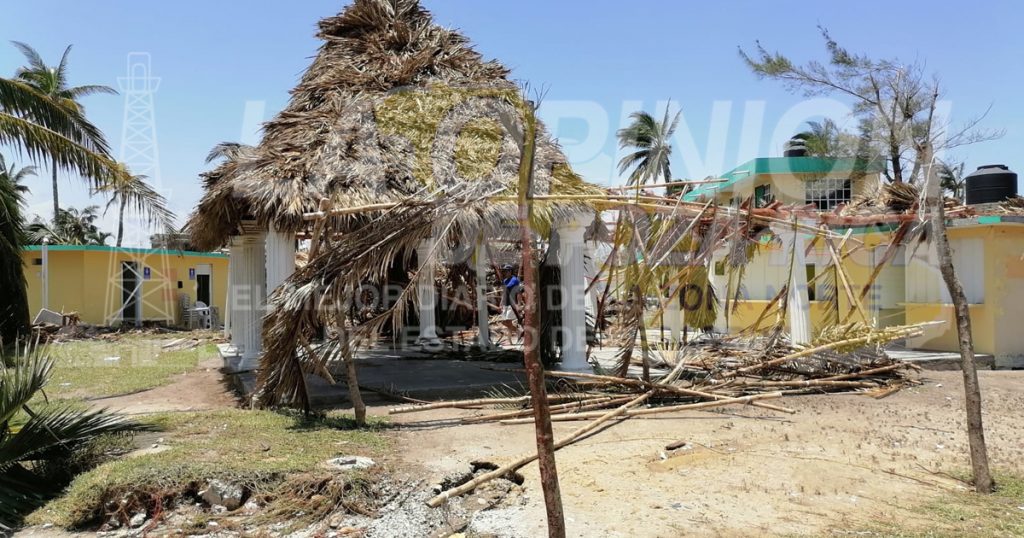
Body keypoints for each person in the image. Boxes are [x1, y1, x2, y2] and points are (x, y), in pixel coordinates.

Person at [499, 264, 523, 344]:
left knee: (507, 322)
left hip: (512, 304)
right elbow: (503, 293)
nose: (505, 272)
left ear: (510, 271)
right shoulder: (505, 281)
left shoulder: (515, 280)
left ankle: (511, 339)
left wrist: (519, 304)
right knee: (504, 322)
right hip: (505, 304)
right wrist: (501, 303)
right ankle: (518, 332)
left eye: (507, 271)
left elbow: (518, 293)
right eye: (504, 271)